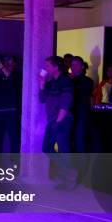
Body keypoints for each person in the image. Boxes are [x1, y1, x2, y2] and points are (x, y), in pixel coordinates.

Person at [39, 56, 74, 186]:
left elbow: (66, 102)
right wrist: (42, 85)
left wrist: (59, 121)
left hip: (62, 119)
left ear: (56, 67)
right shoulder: (51, 82)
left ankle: (68, 179)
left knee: (63, 148)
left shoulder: (65, 81)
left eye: (48, 66)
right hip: (52, 119)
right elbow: (42, 99)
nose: (45, 68)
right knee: (47, 147)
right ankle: (69, 171)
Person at [70, 56, 93, 152]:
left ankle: (81, 166)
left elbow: (84, 92)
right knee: (69, 139)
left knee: (79, 139)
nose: (73, 67)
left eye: (76, 65)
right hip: (70, 112)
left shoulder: (87, 81)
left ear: (82, 66)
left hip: (81, 113)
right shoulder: (68, 79)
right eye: (72, 65)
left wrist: (72, 80)